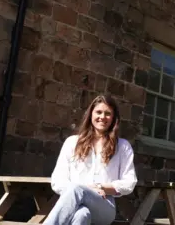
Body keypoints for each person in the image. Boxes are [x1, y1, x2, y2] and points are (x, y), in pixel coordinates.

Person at [43, 95, 138, 225]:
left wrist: (101, 187)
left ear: (114, 118)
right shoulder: (72, 142)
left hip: (104, 205)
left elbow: (129, 183)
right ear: (91, 114)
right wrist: (80, 191)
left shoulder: (122, 146)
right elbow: (58, 180)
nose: (102, 117)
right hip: (73, 203)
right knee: (82, 215)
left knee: (77, 190)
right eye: (98, 112)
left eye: (108, 113)